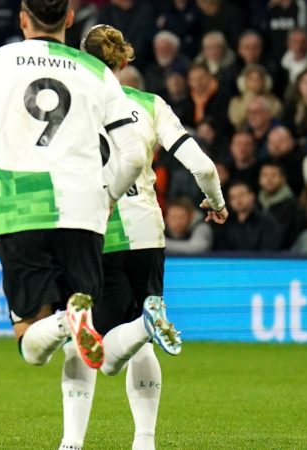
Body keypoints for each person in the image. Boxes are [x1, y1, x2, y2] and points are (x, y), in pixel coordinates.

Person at [0, 4, 155, 449]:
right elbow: (131, 156)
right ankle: (73, 345)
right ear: (69, 18)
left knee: (28, 345)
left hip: (22, 210)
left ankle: (64, 325)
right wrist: (107, 198)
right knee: (79, 327)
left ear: (22, 18)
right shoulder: (97, 72)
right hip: (84, 215)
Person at [80, 24, 227, 450]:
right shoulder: (150, 104)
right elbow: (202, 167)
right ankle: (144, 441)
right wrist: (215, 202)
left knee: (103, 354)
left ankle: (147, 323)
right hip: (150, 234)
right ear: (123, 62)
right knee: (137, 340)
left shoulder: (70, 109)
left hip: (98, 235)